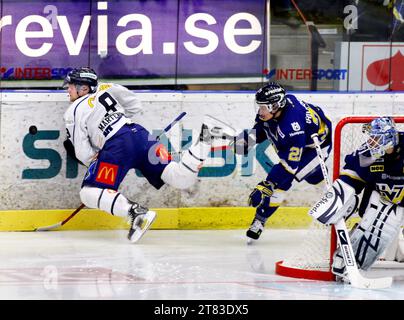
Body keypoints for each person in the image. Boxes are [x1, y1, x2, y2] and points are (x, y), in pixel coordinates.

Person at [63, 67, 235, 243]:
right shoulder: (107, 87)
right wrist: (118, 118)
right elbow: (135, 104)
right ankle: (206, 139)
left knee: (88, 192)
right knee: (179, 178)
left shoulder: (74, 110)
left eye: (70, 86)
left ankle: (136, 213)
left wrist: (95, 159)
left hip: (117, 146)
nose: (67, 89)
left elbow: (82, 150)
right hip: (139, 135)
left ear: (83, 88)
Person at [233, 82, 332, 243]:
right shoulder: (275, 112)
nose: (260, 111)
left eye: (263, 107)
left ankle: (334, 193)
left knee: (288, 181)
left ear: (276, 105)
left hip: (316, 146)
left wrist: (266, 185)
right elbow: (262, 127)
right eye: (259, 106)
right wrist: (247, 141)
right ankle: (260, 220)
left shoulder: (292, 128)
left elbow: (290, 166)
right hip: (303, 136)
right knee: (282, 181)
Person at [309, 116, 404, 279]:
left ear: (388, 139)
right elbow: (351, 176)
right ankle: (349, 259)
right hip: (383, 199)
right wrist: (338, 198)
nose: (371, 142)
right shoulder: (367, 153)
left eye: (376, 138)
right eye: (371, 137)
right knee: (376, 231)